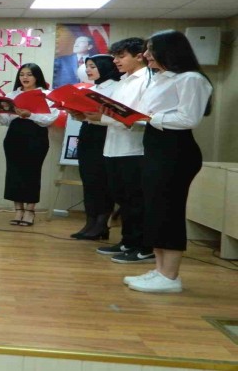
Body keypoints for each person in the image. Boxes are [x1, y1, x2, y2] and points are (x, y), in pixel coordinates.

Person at [123, 30, 213, 293]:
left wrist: (150, 118)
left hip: (176, 152)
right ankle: (160, 269)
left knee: (169, 211)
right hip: (156, 148)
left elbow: (189, 118)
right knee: (155, 210)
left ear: (170, 51)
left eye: (151, 49)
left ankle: (170, 276)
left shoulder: (191, 79)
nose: (146, 55)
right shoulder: (161, 78)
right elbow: (148, 113)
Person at [84, 38, 153, 263]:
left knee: (136, 201)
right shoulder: (122, 81)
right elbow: (111, 114)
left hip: (134, 149)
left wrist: (103, 117)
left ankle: (142, 246)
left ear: (139, 56)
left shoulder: (147, 79)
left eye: (121, 56)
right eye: (115, 56)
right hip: (112, 147)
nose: (116, 61)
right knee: (122, 199)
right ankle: (127, 241)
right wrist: (89, 116)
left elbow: (141, 117)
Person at [0, 63, 58, 226]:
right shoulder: (12, 94)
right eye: (22, 74)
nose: (25, 78)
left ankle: (30, 211)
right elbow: (6, 121)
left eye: (29, 74)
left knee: (32, 173)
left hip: (36, 135)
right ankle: (18, 210)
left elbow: (49, 119)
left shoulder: (46, 95)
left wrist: (30, 115)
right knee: (14, 172)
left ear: (37, 76)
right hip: (14, 136)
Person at [67, 55, 121, 240]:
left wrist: (96, 116)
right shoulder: (91, 89)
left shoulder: (117, 87)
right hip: (88, 133)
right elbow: (87, 115)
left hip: (105, 135)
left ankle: (101, 224)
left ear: (105, 67)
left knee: (102, 181)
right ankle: (90, 222)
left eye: (92, 66)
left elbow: (116, 115)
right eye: (87, 66)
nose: (88, 70)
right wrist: (77, 113)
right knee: (89, 180)